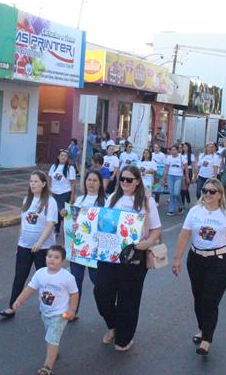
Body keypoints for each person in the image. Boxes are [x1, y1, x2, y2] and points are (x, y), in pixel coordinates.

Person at [172, 178, 226, 356]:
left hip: (218, 262)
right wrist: (177, 259)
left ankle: (207, 339)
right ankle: (203, 328)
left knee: (209, 301)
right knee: (198, 298)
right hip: (196, 260)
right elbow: (184, 235)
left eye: (212, 191)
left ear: (220, 194)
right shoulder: (195, 211)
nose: (208, 194)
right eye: (205, 190)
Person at [95, 166, 162, 351]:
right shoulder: (112, 198)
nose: (125, 182)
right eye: (122, 179)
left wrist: (147, 243)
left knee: (129, 298)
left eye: (129, 179)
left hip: (134, 256)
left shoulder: (147, 202)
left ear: (138, 181)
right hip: (109, 254)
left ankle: (124, 338)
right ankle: (113, 325)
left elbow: (156, 229)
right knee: (102, 292)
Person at [11, 244, 78, 375]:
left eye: (56, 257)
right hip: (45, 312)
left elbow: (74, 294)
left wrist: (72, 310)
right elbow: (30, 288)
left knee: (51, 338)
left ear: (62, 261)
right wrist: (19, 300)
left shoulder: (67, 277)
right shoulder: (40, 273)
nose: (52, 259)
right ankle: (54, 350)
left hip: (60, 314)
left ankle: (47, 367)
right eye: (49, 256)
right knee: (50, 336)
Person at [0, 171, 58, 318]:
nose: (33, 184)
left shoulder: (50, 202)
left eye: (36, 181)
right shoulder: (26, 200)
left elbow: (50, 224)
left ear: (44, 184)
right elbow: (23, 224)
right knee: (19, 277)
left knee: (45, 280)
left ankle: (48, 307)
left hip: (43, 248)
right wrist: (19, 243)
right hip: (24, 246)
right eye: (31, 181)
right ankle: (12, 307)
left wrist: (39, 243)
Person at [63, 170, 105, 315]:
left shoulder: (105, 201)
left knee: (98, 282)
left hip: (95, 250)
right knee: (75, 280)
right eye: (89, 180)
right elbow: (72, 219)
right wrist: (66, 214)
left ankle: (109, 309)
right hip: (78, 247)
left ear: (100, 183)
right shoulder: (79, 200)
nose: (91, 183)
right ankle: (73, 311)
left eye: (94, 180)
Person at [48, 150, 77, 236]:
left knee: (63, 213)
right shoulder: (53, 167)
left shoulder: (70, 168)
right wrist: (49, 192)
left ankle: (67, 231)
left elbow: (73, 183)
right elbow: (49, 179)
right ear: (58, 157)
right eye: (62, 155)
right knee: (55, 212)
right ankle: (56, 230)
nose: (63, 157)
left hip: (65, 193)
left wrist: (72, 196)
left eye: (65, 156)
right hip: (54, 193)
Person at [165, 145, 185, 216]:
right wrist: (164, 177)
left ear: (177, 150)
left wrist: (187, 177)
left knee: (176, 193)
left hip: (179, 176)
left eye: (174, 150)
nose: (173, 151)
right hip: (170, 176)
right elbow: (166, 168)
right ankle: (171, 210)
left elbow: (186, 167)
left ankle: (180, 205)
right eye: (171, 150)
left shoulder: (182, 157)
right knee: (171, 193)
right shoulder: (169, 157)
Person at [180, 143, 195, 209]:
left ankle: (187, 199)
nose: (184, 148)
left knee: (185, 188)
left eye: (186, 147)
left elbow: (194, 166)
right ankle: (182, 204)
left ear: (189, 147)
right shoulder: (180, 155)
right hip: (180, 171)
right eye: (183, 147)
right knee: (182, 189)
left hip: (188, 171)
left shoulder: (191, 155)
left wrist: (194, 176)